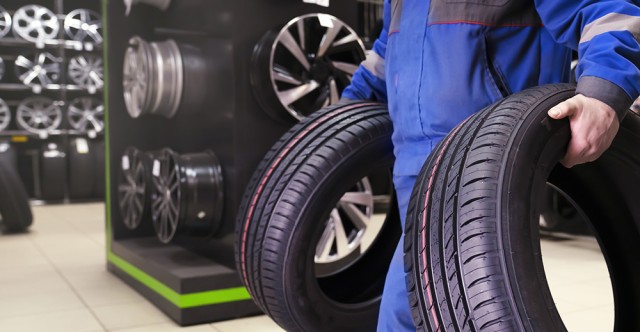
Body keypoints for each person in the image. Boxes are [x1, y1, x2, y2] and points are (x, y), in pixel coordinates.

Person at [341, 0, 640, 330]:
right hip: (411, 160)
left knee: (412, 312)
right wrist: (340, 120)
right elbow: (387, 51)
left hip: (482, 164)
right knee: (435, 308)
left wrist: (603, 94)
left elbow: (607, 10)